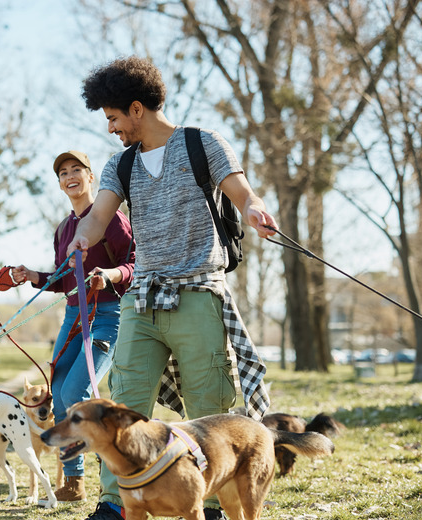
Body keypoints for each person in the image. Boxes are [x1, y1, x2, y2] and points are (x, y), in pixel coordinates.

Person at [66, 56, 278, 520]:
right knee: (121, 402)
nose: (111, 128)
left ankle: (211, 500)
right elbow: (100, 216)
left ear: (137, 108)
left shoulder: (204, 145)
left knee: (209, 404)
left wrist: (255, 210)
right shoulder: (120, 165)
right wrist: (85, 236)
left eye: (114, 117)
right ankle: (114, 503)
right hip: (142, 300)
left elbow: (242, 192)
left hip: (198, 293)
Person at [11, 150, 135, 503]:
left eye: (76, 169)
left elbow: (133, 265)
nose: (70, 177)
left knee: (75, 394)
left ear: (91, 176)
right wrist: (33, 276)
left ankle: (109, 474)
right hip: (72, 317)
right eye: (63, 173)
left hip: (108, 316)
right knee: (59, 391)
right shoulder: (64, 229)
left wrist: (107, 277)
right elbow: (64, 278)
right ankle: (73, 482)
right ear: (61, 183)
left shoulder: (112, 220)